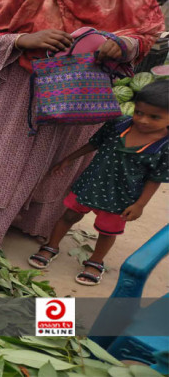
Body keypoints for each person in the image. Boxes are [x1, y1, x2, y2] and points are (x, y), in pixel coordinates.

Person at [0, 0, 165, 248]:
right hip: (19, 88)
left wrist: (125, 44)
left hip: (83, 88)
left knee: (56, 162)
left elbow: (146, 33)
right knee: (1, 159)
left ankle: (31, 222)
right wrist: (21, 39)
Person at [29, 80, 169, 286]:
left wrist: (139, 205)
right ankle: (51, 246)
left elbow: (154, 179)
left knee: (107, 231)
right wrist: (69, 159)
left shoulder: (164, 147)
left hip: (121, 197)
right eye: (139, 112)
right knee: (69, 215)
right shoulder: (118, 124)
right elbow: (94, 143)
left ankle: (95, 261)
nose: (143, 120)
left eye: (154, 117)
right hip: (89, 184)